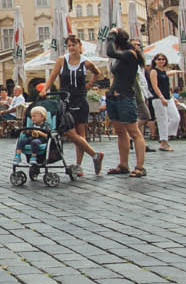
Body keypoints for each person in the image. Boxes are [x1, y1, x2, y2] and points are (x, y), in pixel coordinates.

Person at [46, 35, 105, 176]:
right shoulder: (62, 60)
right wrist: (44, 89)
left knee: (80, 133)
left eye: (74, 45)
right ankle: (95, 155)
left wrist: (89, 84)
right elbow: (53, 76)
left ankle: (79, 166)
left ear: (80, 46)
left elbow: (98, 73)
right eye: (69, 45)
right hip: (65, 101)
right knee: (68, 131)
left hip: (80, 100)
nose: (71, 48)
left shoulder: (86, 62)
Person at [103, 29, 147, 177]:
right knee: (121, 132)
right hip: (114, 97)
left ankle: (140, 167)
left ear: (117, 41)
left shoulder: (130, 54)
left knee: (134, 132)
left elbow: (110, 52)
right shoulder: (124, 56)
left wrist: (110, 36)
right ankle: (123, 164)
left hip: (125, 96)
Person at [145, 53, 179, 151]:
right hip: (158, 98)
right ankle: (164, 143)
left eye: (163, 59)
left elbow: (166, 87)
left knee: (176, 118)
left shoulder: (164, 71)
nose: (161, 61)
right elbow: (155, 86)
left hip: (168, 98)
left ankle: (163, 137)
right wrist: (161, 97)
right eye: (159, 59)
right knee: (162, 120)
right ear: (155, 60)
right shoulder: (153, 71)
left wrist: (172, 97)